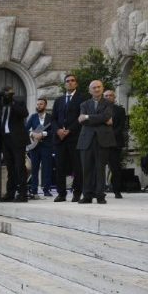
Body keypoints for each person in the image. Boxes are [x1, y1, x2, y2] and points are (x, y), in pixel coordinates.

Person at [76, 80, 116, 204]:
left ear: (102, 88)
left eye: (99, 87)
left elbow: (106, 117)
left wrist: (88, 117)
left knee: (100, 169)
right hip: (86, 140)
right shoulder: (84, 104)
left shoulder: (108, 103)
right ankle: (87, 195)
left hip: (102, 140)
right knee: (86, 169)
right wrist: (101, 119)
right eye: (94, 87)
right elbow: (82, 121)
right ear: (90, 90)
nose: (96, 89)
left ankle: (100, 195)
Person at [0, 86, 30, 202]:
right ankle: (10, 193)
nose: (6, 96)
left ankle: (23, 194)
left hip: (17, 139)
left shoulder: (18, 102)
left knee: (19, 167)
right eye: (5, 94)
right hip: (5, 140)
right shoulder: (0, 104)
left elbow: (24, 113)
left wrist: (12, 102)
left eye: (8, 93)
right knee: (10, 168)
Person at [53, 74, 87, 202]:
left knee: (77, 167)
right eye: (67, 81)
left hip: (75, 138)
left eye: (73, 81)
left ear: (76, 83)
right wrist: (58, 130)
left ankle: (77, 193)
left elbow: (81, 117)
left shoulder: (82, 99)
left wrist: (69, 130)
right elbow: (54, 118)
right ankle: (61, 193)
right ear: (64, 84)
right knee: (60, 167)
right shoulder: (59, 100)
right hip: (60, 139)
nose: (70, 83)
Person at [25, 98, 54, 198]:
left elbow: (54, 131)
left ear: (45, 106)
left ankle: (46, 190)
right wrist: (32, 133)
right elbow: (25, 129)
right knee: (34, 169)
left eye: (41, 104)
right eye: (37, 104)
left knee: (47, 168)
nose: (38, 106)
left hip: (46, 146)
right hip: (34, 147)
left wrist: (43, 133)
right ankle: (34, 190)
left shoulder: (51, 117)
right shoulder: (33, 117)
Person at [103, 90, 128, 199]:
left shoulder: (120, 110)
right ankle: (99, 189)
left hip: (115, 143)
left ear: (114, 97)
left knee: (115, 168)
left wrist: (110, 135)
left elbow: (121, 127)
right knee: (98, 168)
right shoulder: (98, 109)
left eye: (110, 95)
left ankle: (117, 191)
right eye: (106, 96)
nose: (108, 97)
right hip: (100, 142)